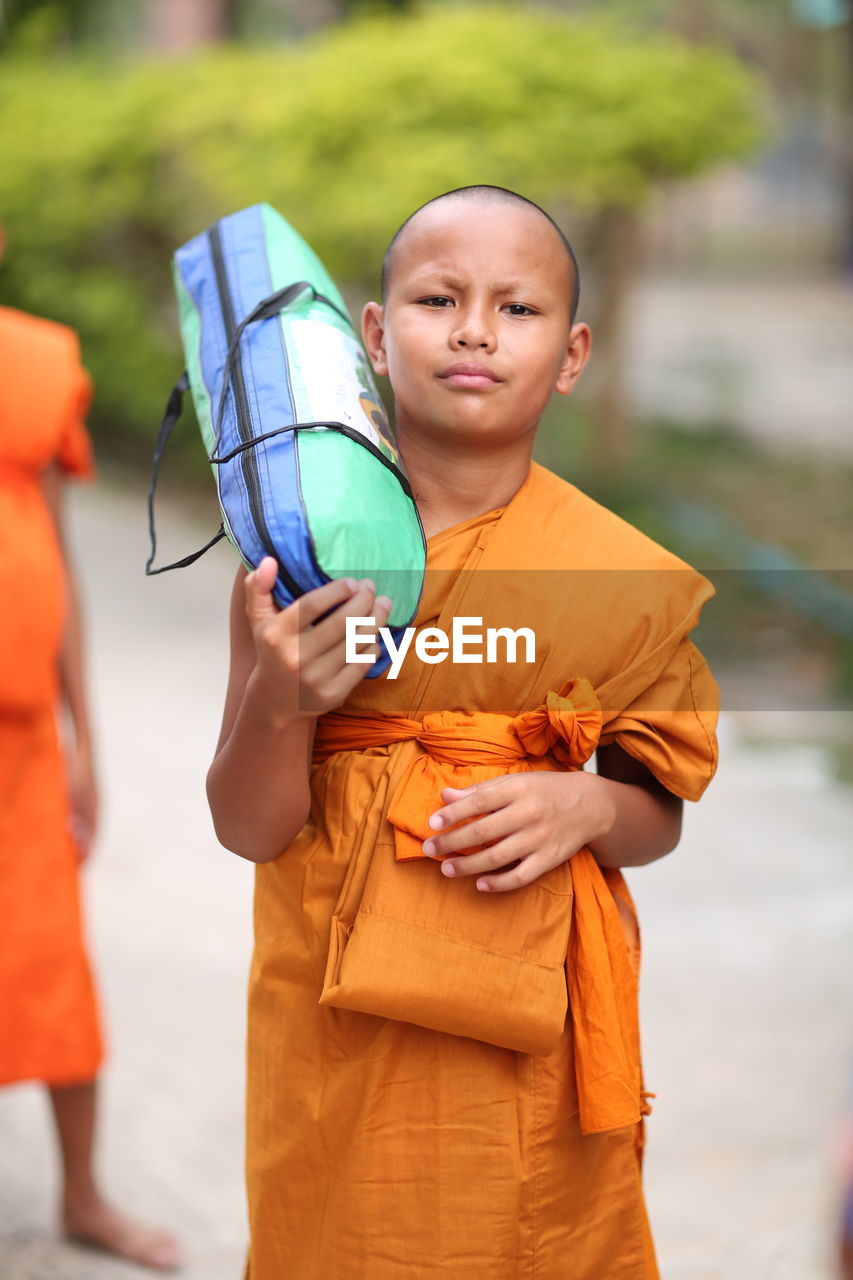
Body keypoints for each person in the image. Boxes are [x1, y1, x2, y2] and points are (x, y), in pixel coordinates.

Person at [207, 184, 720, 1279]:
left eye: (518, 309)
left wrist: (587, 803)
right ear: (377, 337)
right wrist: (279, 695)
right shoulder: (293, 553)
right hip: (333, 1027)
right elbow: (249, 825)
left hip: (521, 1034)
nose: (478, 329)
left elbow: (655, 813)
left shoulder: (617, 574)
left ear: (572, 353)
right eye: (440, 299)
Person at [0, 243, 184, 1271]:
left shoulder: (30, 365)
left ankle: (82, 1192)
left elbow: (59, 560)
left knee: (48, 962)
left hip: (21, 735)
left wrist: (83, 737)